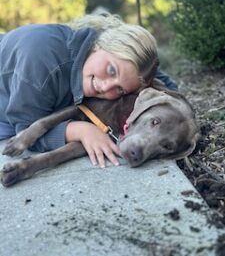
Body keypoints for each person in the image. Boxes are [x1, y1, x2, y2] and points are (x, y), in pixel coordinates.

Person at [0, 13, 176, 168]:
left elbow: (148, 72)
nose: (106, 87)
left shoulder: (109, 55)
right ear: (99, 46)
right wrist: (81, 130)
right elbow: (24, 133)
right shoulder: (41, 64)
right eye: (111, 70)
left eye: (120, 89)